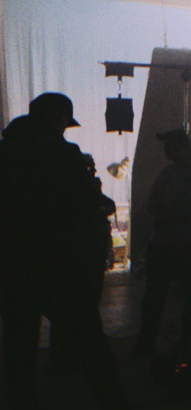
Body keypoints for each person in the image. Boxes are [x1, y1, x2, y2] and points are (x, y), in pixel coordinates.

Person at [0, 92, 133, 410]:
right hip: (57, 264)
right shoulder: (63, 154)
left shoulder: (5, 152)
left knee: (18, 350)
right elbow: (86, 204)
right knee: (92, 346)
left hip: (13, 266)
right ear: (59, 117)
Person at [132, 128, 191, 357]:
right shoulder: (170, 172)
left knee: (174, 295)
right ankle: (157, 341)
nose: (166, 150)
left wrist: (165, 210)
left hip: (184, 242)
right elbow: (153, 200)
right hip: (167, 241)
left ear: (183, 147)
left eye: (170, 146)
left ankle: (178, 341)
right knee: (161, 295)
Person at [49, 153, 117, 367]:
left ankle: (70, 348)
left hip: (88, 251)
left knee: (85, 299)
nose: (93, 171)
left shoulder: (82, 187)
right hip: (79, 252)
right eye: (89, 167)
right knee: (76, 301)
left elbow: (108, 204)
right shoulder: (72, 189)